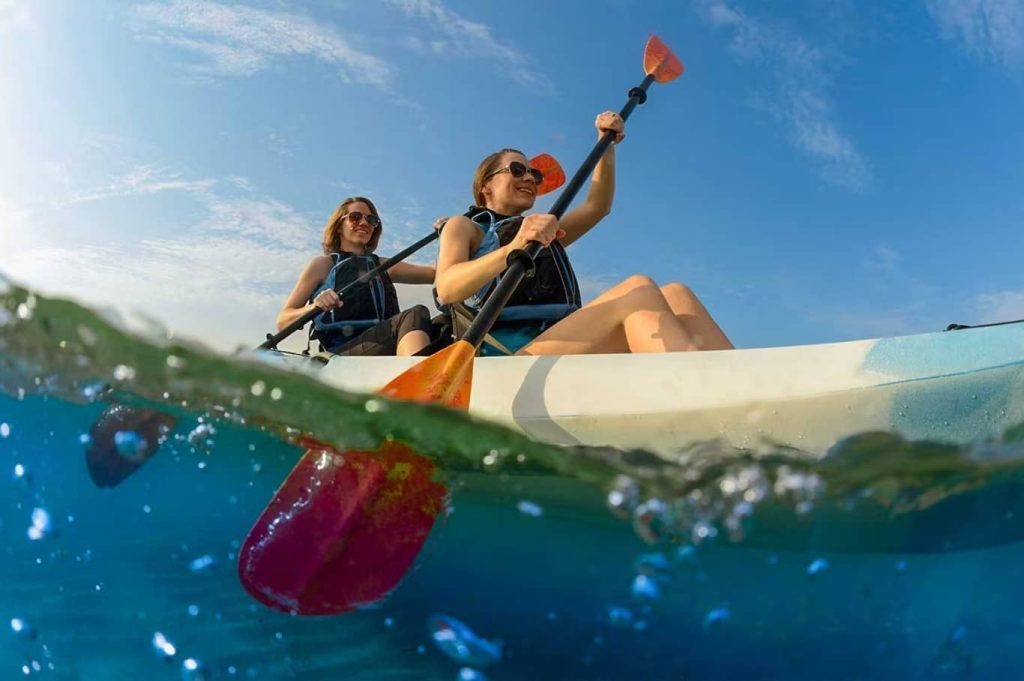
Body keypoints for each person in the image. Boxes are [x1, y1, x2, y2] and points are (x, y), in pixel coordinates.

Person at [433, 111, 733, 356]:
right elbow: (447, 288)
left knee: (677, 294)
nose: (530, 179)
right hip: (505, 355)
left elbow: (597, 206)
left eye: (534, 174)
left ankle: (743, 391)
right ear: (486, 184)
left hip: (559, 340)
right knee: (638, 290)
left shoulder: (543, 231)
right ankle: (694, 389)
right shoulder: (465, 226)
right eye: (517, 170)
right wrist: (513, 249)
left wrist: (606, 144)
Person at [278, 196, 436, 356]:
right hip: (341, 354)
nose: (364, 223)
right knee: (415, 314)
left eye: (371, 220)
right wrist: (315, 306)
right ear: (339, 226)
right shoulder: (322, 265)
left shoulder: (383, 265)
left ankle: (422, 367)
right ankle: (415, 370)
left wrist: (447, 233)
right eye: (355, 217)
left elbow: (434, 273)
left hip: (386, 342)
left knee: (442, 326)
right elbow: (283, 321)